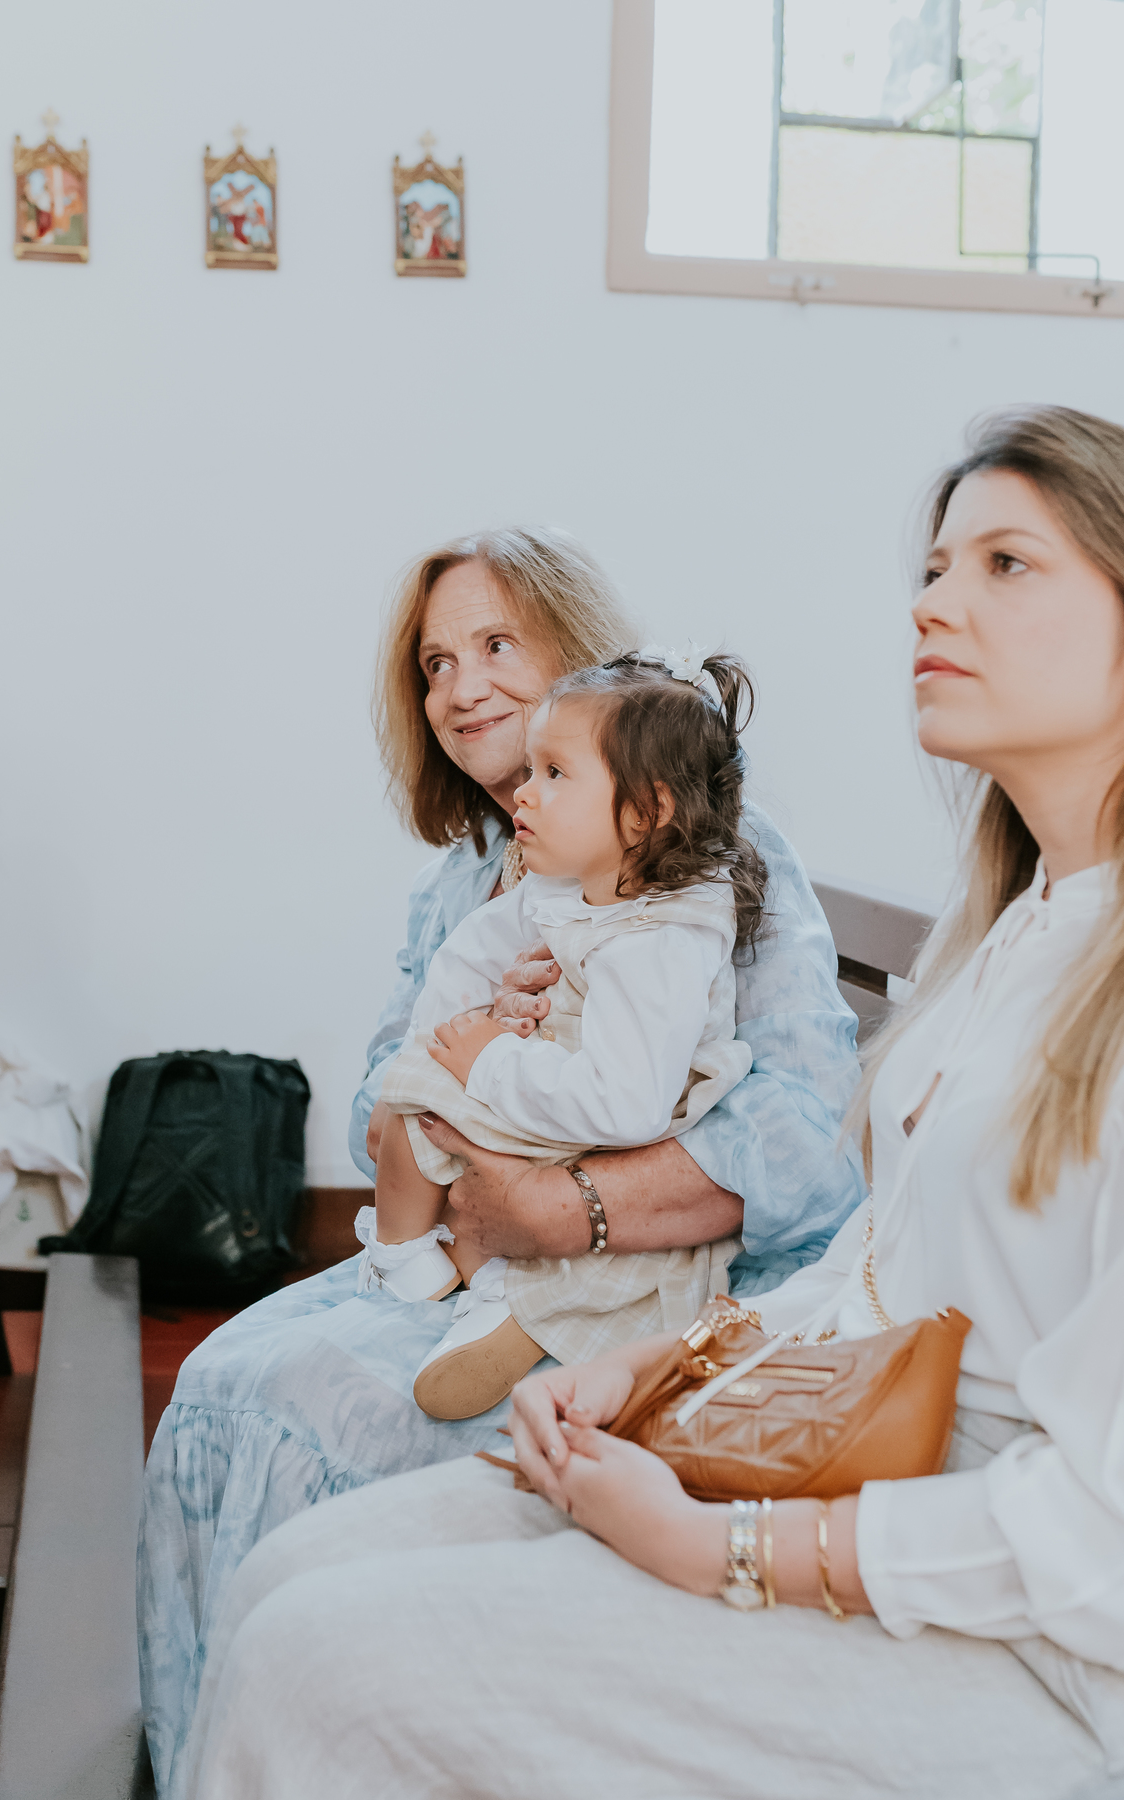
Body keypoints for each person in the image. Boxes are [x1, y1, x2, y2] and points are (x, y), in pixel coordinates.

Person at [181, 407, 1124, 1799]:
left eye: (1006, 564)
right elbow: (881, 1280)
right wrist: (651, 1373)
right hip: (876, 1469)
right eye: (934, 566)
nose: (933, 600)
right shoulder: (1013, 935)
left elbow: (1097, 1535)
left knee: (320, 1664)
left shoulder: (706, 887)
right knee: (288, 1582)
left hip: (1036, 1632)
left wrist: (721, 1548)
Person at [140, 527, 865, 1797]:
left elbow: (801, 1138)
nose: (460, 686)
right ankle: (212, 1757)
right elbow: (385, 1084)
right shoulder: (479, 874)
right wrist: (479, 1046)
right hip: (479, 1240)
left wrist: (552, 1199)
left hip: (673, 1291)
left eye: (494, 646)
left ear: (577, 661)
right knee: (215, 1379)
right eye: (433, 664)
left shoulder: (715, 864)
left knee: (307, 1418)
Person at [367, 647, 766, 1418]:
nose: (526, 791)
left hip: (620, 1132)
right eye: (533, 770)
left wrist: (482, 1063)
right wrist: (454, 1033)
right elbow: (469, 953)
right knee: (420, 1079)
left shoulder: (660, 940)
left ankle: (449, 1277)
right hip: (569, 1100)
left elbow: (626, 1108)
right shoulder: (570, 885)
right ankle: (460, 1273)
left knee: (428, 1091)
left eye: (554, 774)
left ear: (647, 813)